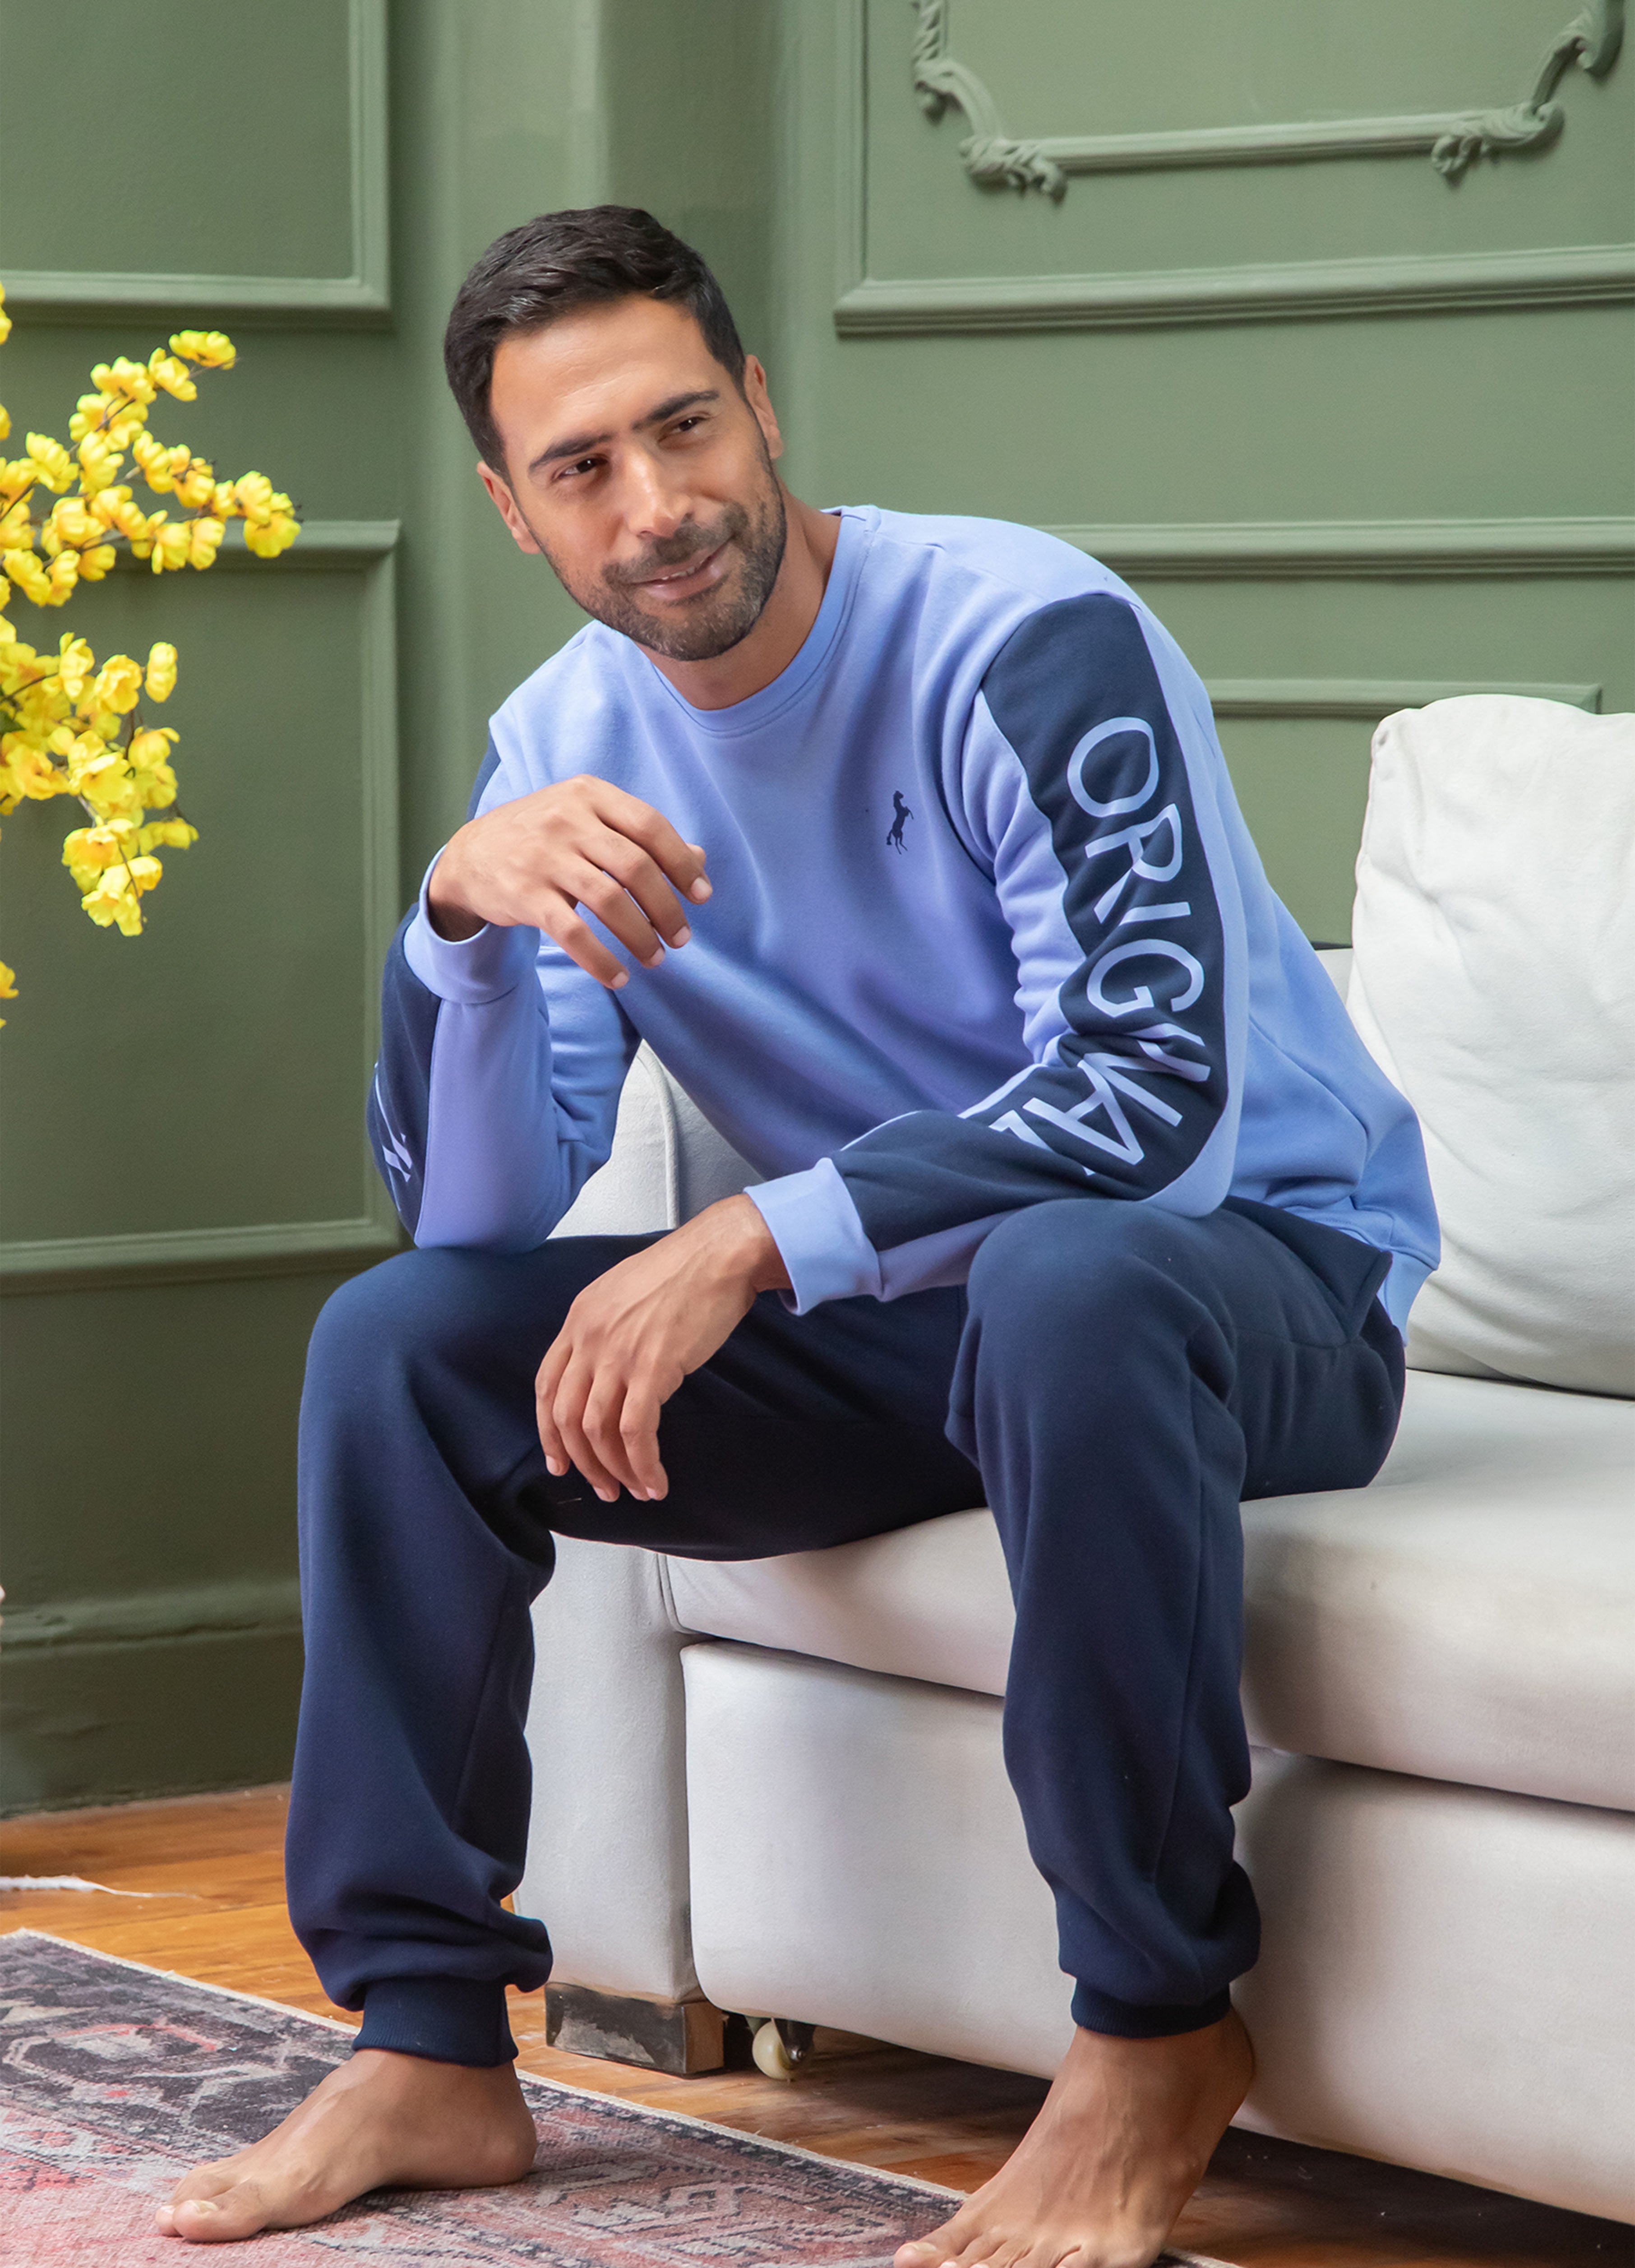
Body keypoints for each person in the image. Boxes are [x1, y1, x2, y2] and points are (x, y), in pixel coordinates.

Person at [157, 206, 1436, 2262]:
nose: (655, 505)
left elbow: (1155, 1109)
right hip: (925, 1330)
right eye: (582, 467)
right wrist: (458, 924)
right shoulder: (562, 748)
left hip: (1247, 1284)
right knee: (401, 1347)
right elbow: (475, 1217)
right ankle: (425, 2041)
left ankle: (1155, 2028)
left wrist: (754, 1236)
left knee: (1068, 1275)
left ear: (760, 404)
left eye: (684, 427)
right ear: (511, 509)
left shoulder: (1024, 635)